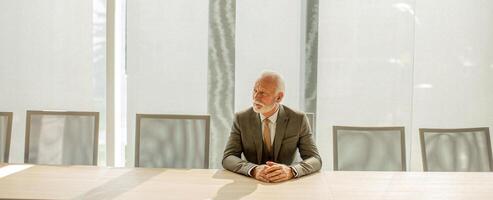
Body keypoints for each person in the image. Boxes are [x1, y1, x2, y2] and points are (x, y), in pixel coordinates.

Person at [222, 71, 322, 183]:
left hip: (286, 185)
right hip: (251, 184)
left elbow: (315, 159)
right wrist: (253, 169)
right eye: (255, 90)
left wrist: (291, 171)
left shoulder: (298, 119)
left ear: (278, 97)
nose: (256, 97)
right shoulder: (241, 118)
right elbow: (228, 157)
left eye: (263, 93)